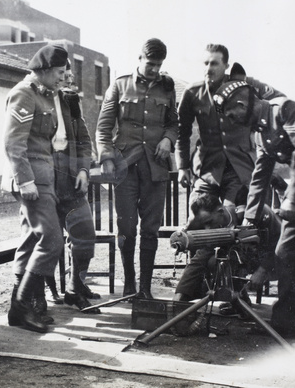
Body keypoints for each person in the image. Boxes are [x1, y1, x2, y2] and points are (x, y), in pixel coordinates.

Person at [214, 78, 295, 340]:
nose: (231, 119)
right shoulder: (260, 132)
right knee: (285, 254)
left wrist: (292, 199)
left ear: (242, 104)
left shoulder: (286, 109)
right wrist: (249, 220)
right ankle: (282, 325)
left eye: (232, 112)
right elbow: (260, 174)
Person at [95, 38, 178, 299]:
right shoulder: (119, 85)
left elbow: (173, 123)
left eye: (159, 65)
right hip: (126, 168)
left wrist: (168, 139)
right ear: (139, 59)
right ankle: (129, 284)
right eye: (150, 63)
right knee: (127, 228)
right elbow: (103, 127)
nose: (154, 69)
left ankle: (145, 289)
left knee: (150, 230)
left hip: (155, 168)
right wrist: (107, 158)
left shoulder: (167, 87)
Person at [1, 44, 68, 333]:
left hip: (43, 177)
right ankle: (20, 307)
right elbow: (13, 142)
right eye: (59, 73)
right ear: (44, 70)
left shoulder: (46, 95)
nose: (62, 78)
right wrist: (25, 180)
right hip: (32, 179)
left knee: (31, 239)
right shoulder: (24, 93)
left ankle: (23, 307)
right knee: (51, 240)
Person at [177, 44, 284, 213]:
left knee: (244, 219)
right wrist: (182, 167)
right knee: (200, 214)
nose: (209, 69)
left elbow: (279, 101)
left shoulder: (245, 85)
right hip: (208, 168)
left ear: (226, 66)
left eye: (214, 64)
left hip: (241, 166)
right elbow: (182, 132)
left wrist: (260, 132)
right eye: (205, 64)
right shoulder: (192, 93)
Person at [49, 59, 100, 313]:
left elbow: (84, 140)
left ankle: (74, 288)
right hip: (45, 183)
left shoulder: (70, 101)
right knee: (48, 240)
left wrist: (83, 169)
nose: (67, 79)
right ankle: (42, 296)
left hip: (71, 183)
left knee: (85, 235)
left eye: (68, 74)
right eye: (62, 74)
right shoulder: (34, 99)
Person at [172, 193, 280, 308]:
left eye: (209, 222)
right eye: (204, 225)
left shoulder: (254, 213)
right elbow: (199, 259)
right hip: (247, 260)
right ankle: (239, 301)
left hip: (277, 258)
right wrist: (180, 293)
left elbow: (279, 244)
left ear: (220, 211)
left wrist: (262, 271)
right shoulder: (215, 226)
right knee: (214, 262)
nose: (208, 228)